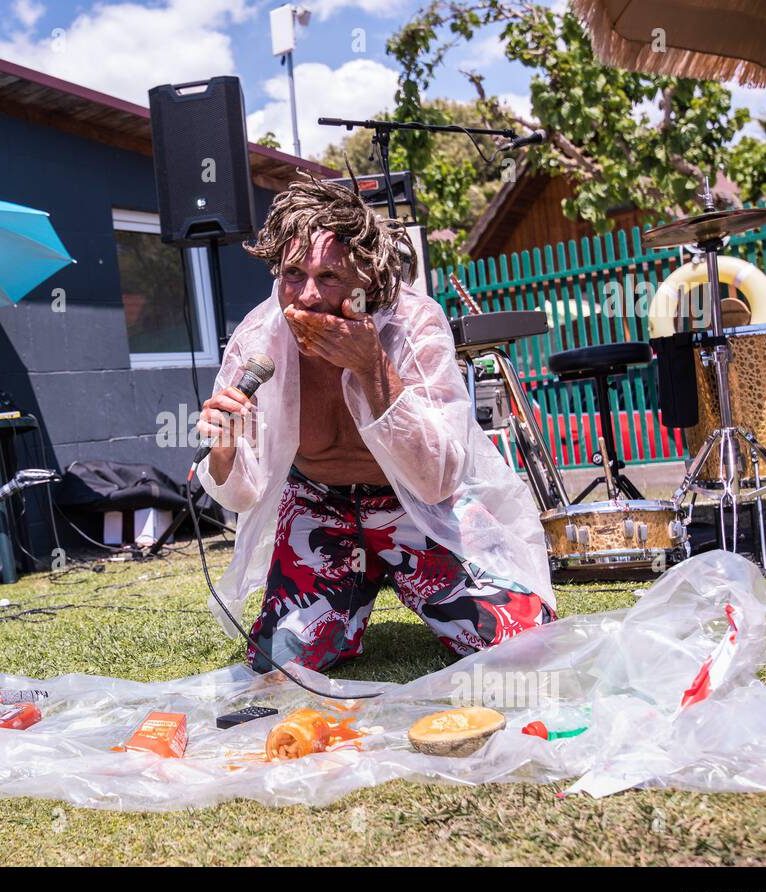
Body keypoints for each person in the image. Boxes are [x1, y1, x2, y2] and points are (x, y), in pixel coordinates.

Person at [195, 177, 555, 673]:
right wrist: (225, 449)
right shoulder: (258, 339)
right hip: (317, 504)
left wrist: (371, 367)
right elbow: (241, 494)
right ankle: (341, 602)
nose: (308, 297)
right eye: (293, 274)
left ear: (366, 276)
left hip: (417, 504)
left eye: (330, 277)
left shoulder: (414, 325)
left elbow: (438, 478)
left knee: (522, 644)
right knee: (280, 666)